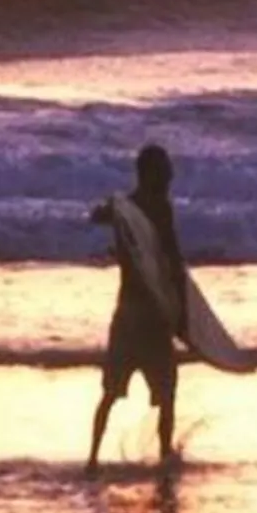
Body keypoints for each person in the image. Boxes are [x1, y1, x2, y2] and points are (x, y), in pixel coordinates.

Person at [88, 143, 190, 472]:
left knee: (110, 393)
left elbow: (97, 216)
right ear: (152, 174)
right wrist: (182, 313)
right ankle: (163, 457)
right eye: (165, 170)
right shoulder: (159, 209)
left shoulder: (126, 208)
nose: (171, 176)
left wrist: (112, 211)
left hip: (128, 315)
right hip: (151, 318)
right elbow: (172, 261)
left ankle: (92, 459)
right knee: (168, 392)